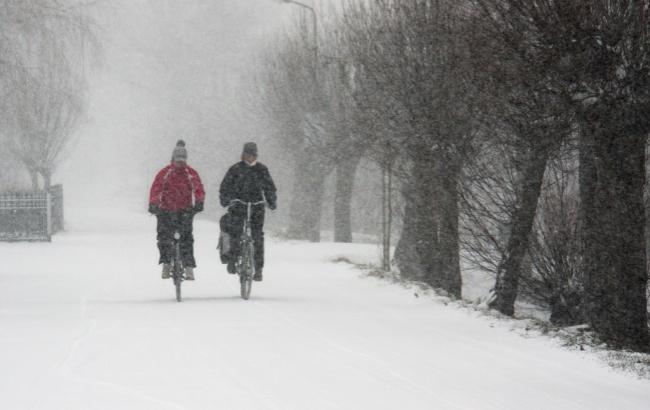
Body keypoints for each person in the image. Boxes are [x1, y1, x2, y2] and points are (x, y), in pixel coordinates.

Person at [219, 142, 277, 281]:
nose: (250, 158)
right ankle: (232, 260)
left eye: (252, 155)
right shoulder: (235, 169)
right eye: (247, 155)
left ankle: (258, 269)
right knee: (236, 232)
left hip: (257, 206)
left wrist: (271, 201)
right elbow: (225, 187)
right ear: (243, 154)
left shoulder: (262, 169)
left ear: (256, 155)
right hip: (238, 205)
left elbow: (269, 187)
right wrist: (226, 200)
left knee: (257, 237)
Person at [148, 140, 205, 280]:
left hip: (185, 210)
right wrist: (153, 204)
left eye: (182, 160)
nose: (180, 163)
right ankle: (166, 263)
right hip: (166, 210)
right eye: (178, 160)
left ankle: (189, 266)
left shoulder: (190, 173)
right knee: (163, 236)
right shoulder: (165, 173)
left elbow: (198, 188)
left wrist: (199, 202)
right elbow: (156, 188)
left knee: (187, 238)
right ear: (173, 159)